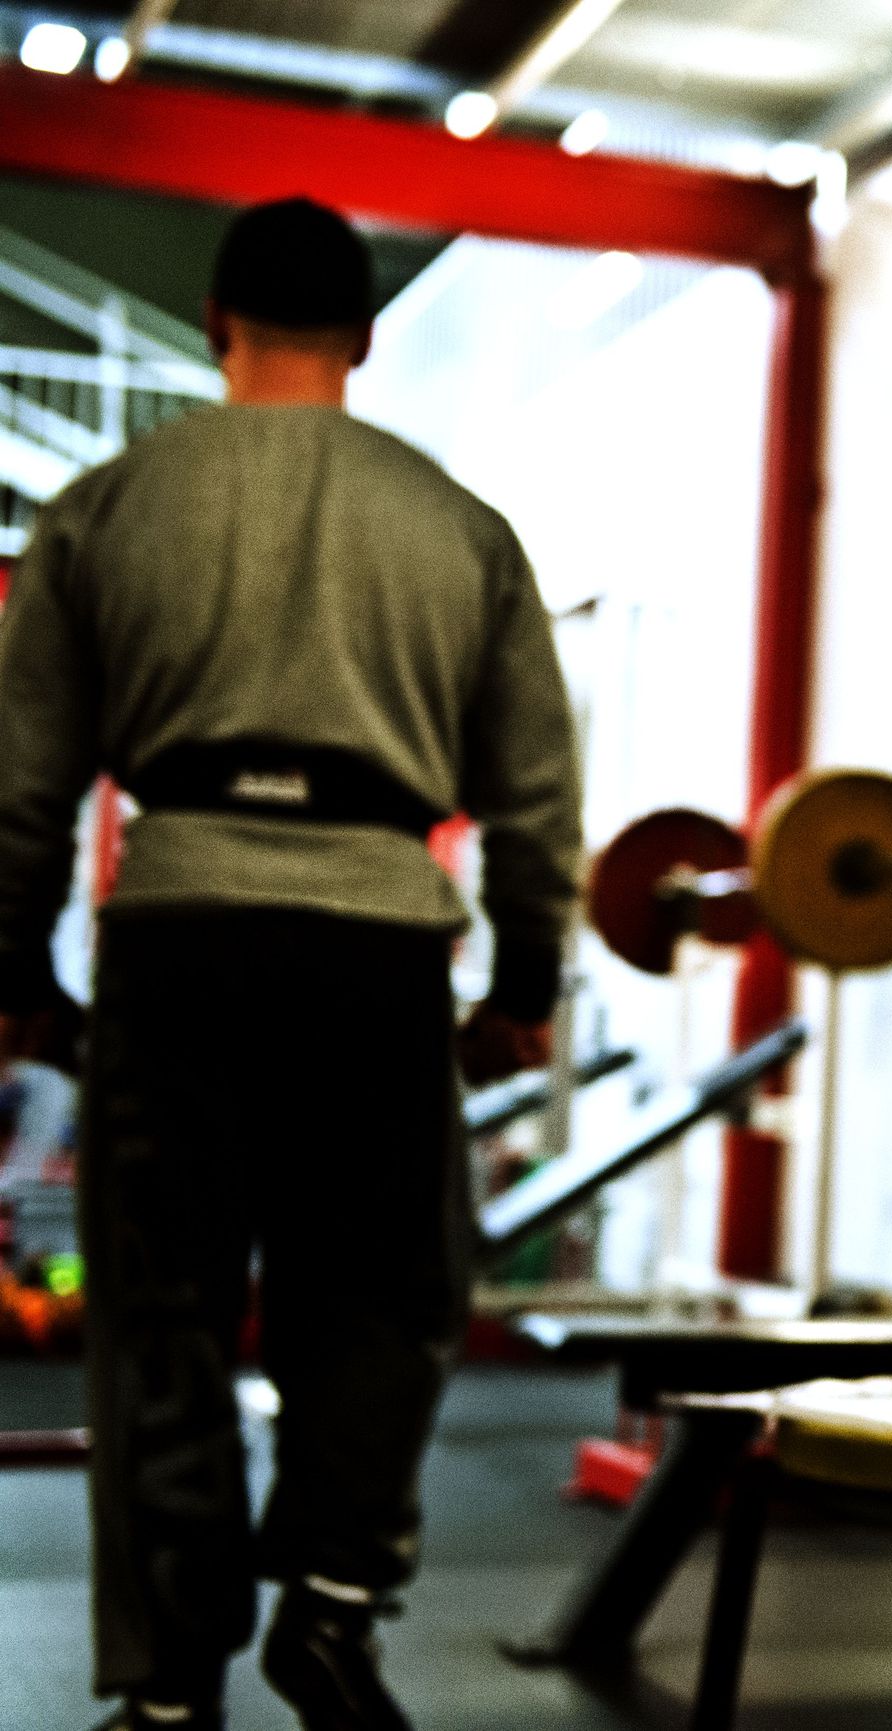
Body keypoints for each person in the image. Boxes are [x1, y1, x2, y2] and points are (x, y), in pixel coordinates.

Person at [0, 198, 582, 1731]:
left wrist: (18, 980)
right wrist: (526, 984)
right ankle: (330, 1602)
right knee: (384, 1298)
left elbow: (25, 789)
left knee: (161, 1315)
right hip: (378, 952)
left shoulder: (108, 507)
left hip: (176, 939)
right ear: (367, 340)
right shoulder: (461, 530)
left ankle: (170, 1686)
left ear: (213, 328)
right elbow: (537, 801)